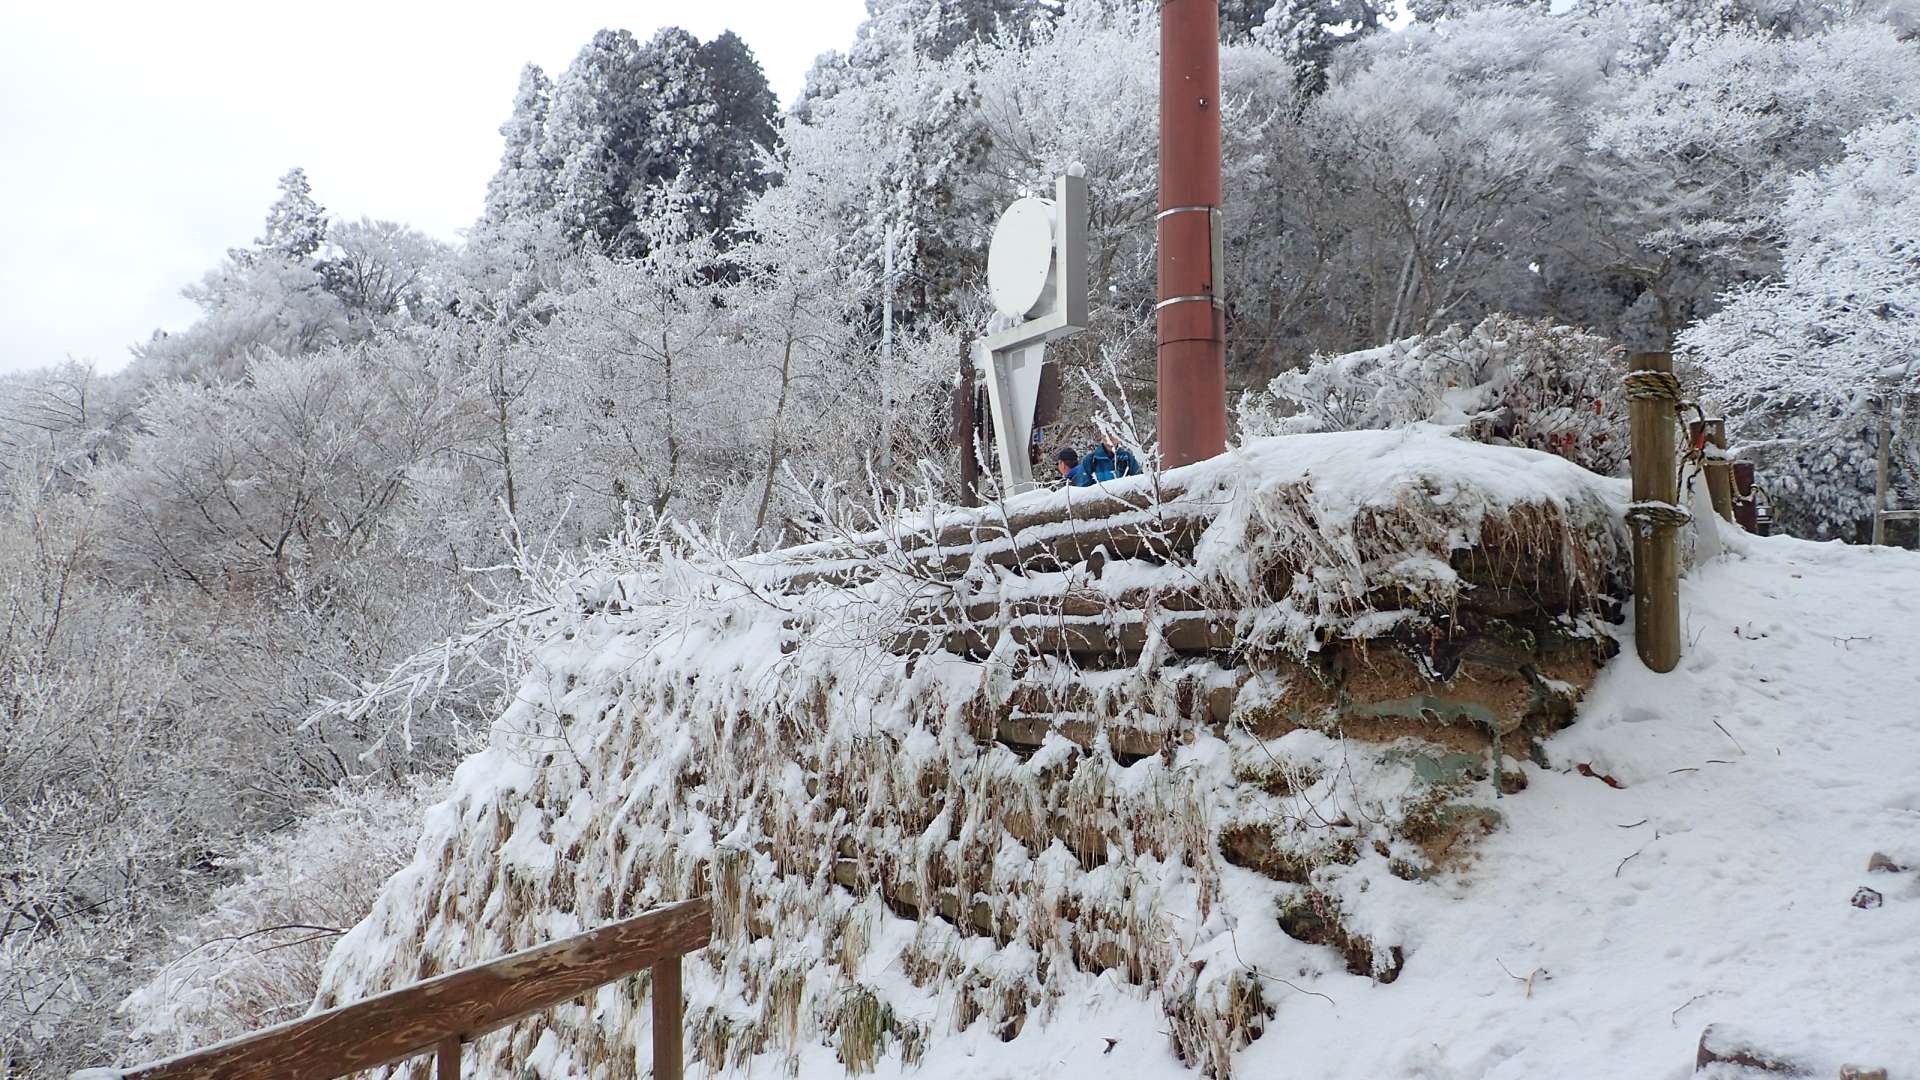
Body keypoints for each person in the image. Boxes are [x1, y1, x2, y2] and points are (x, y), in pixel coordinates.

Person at [1069, 435, 1141, 486]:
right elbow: (1082, 488)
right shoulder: (1090, 460)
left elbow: (1139, 484)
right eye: (1106, 435)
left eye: (1112, 435)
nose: (1109, 439)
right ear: (1101, 435)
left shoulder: (1127, 459)